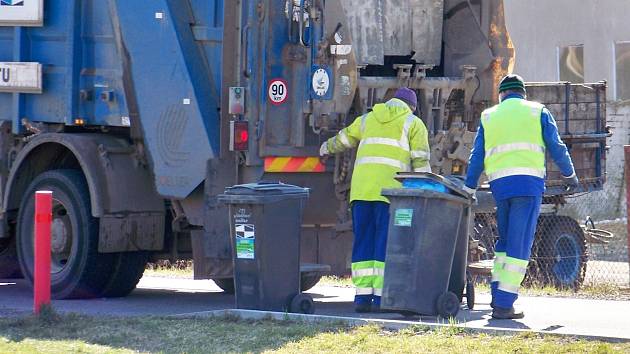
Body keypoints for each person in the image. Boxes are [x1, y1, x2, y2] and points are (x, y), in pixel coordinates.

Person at [464, 74, 579, 319]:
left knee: (505, 244)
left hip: (500, 187)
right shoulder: (537, 111)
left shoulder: (489, 116)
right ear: (522, 93)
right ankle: (504, 305)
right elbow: (556, 146)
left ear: (502, 94)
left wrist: (469, 188)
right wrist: (570, 175)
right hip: (527, 186)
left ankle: (498, 297)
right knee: (519, 245)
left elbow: (477, 157)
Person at [319, 88, 431, 313]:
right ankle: (381, 298)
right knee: (385, 243)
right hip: (390, 195)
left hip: (361, 192)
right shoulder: (413, 123)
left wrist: (325, 148)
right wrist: (426, 191)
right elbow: (420, 163)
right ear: (411, 107)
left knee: (363, 240)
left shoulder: (367, 119)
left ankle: (362, 298)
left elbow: (343, 139)